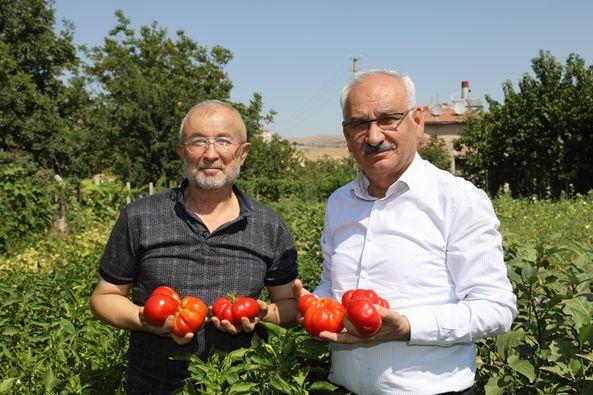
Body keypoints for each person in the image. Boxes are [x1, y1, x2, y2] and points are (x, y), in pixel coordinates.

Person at [294, 69, 517, 394]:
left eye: (388, 119)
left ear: (417, 121)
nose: (373, 137)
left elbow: (495, 308)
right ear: (346, 134)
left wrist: (408, 327)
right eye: (359, 124)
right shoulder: (339, 203)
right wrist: (315, 304)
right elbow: (332, 284)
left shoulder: (457, 199)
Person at [90, 100, 299, 394]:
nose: (211, 154)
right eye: (197, 142)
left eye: (224, 141)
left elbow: (290, 306)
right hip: (152, 386)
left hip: (240, 387)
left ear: (243, 152)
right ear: (181, 152)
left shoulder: (269, 225)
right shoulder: (140, 216)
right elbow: (104, 297)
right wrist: (143, 320)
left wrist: (263, 315)